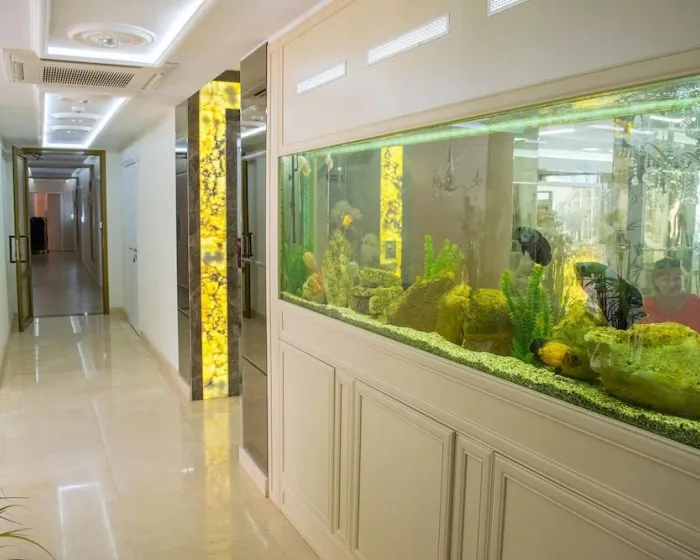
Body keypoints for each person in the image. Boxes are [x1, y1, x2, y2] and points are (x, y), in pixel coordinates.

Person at [642, 257, 700, 332]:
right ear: (655, 282)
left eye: (677, 278)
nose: (672, 284)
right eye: (665, 279)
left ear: (684, 279)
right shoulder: (644, 306)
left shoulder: (697, 305)